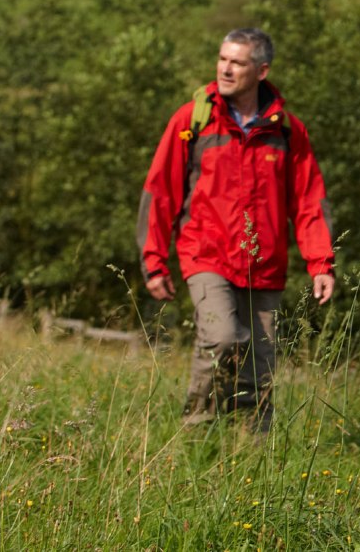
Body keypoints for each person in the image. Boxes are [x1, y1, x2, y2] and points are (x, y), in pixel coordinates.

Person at [138, 27, 336, 432]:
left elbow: (308, 200)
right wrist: (154, 260)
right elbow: (160, 191)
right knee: (223, 336)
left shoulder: (286, 130)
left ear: (261, 71)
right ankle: (197, 431)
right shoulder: (193, 120)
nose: (225, 70)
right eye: (222, 59)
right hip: (206, 254)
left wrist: (321, 262)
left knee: (260, 366)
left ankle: (252, 453)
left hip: (265, 263)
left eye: (237, 62)